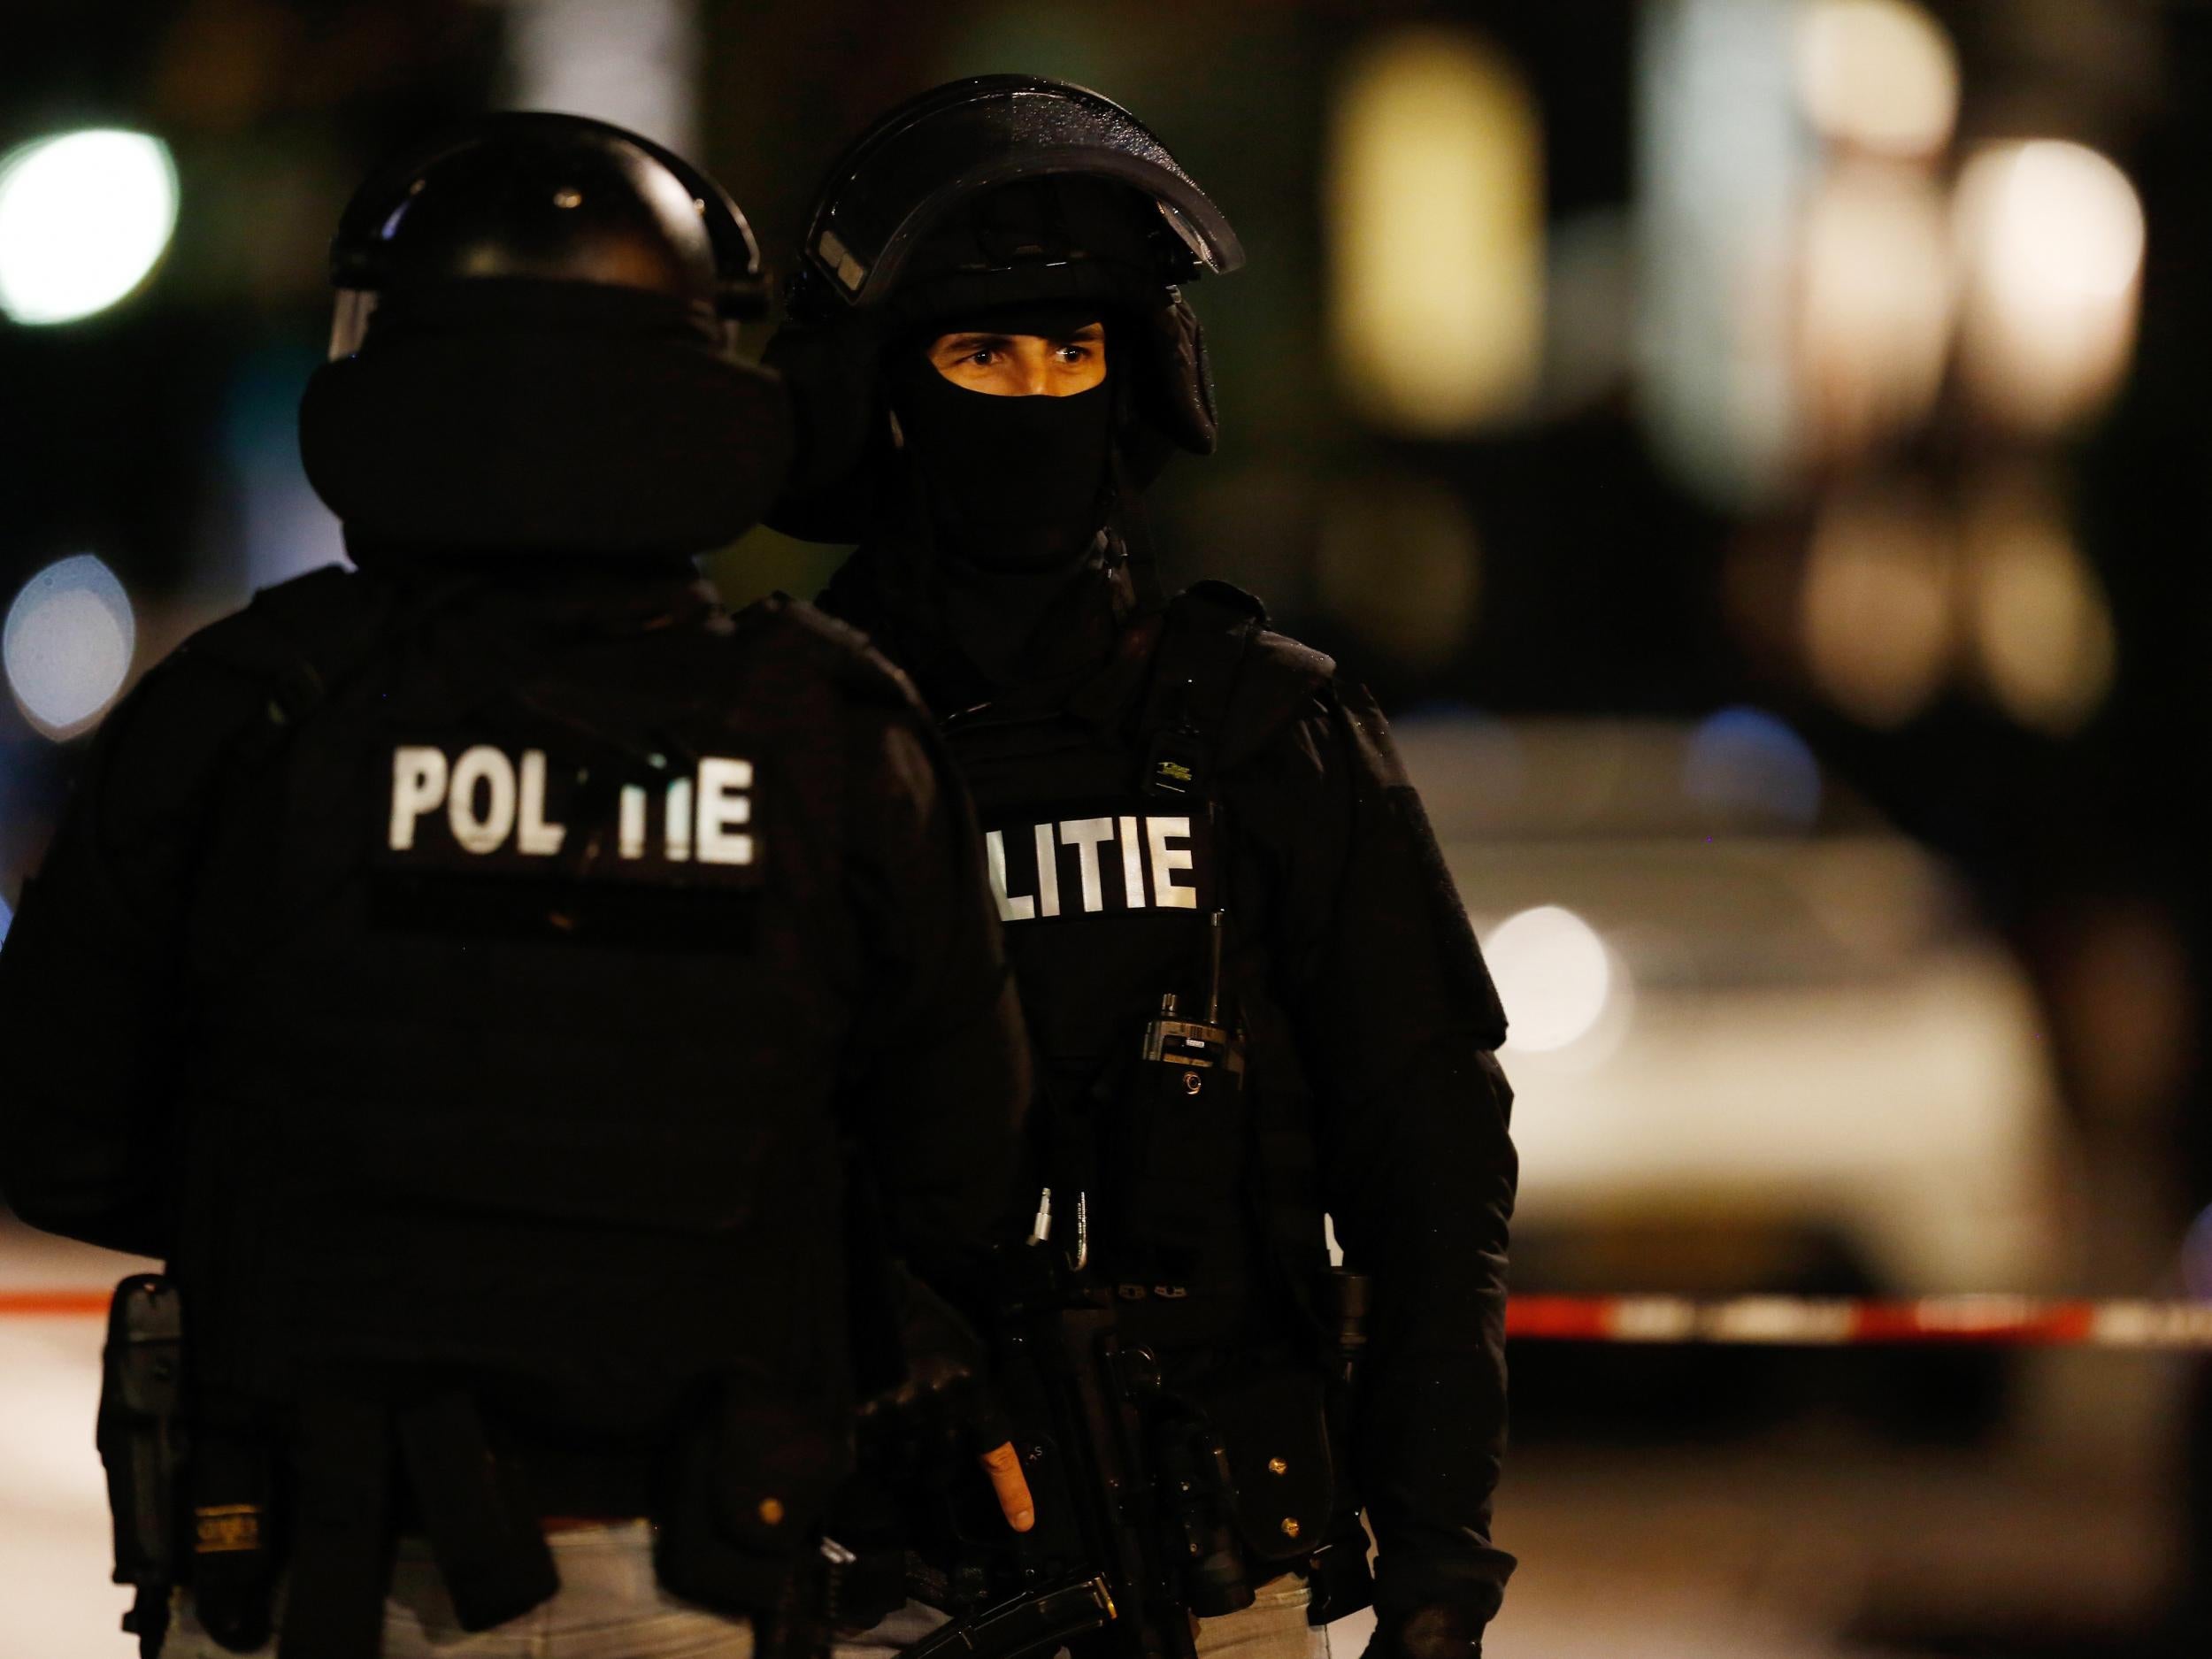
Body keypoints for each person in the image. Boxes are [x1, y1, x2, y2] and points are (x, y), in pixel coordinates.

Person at [0, 112, 1033, 1659]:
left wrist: (304, 1203)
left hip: (321, 1577)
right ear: (711, 379)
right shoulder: (836, 735)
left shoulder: (245, 712)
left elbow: (54, 1132)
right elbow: (963, 1180)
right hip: (700, 1578)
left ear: (390, 370)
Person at [766, 77, 1519, 1659]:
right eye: (982, 352)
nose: (1034, 393)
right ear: (888, 393)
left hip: (1213, 1566)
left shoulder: (1273, 731)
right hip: (858, 1572)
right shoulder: (784, 734)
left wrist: (1441, 1554)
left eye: (1072, 349)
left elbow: (1433, 1164)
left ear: (1138, 378)